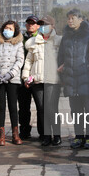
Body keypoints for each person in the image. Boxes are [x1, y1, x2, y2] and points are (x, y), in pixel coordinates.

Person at [58, 9, 89, 149]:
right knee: (75, 111)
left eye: (73, 18)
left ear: (81, 19)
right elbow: (61, 57)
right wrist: (62, 71)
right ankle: (79, 136)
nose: (70, 21)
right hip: (71, 79)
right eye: (68, 18)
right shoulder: (66, 37)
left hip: (87, 78)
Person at [22, 15, 62, 146]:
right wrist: (26, 77)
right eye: (41, 24)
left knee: (52, 108)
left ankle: (56, 134)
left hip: (53, 80)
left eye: (46, 24)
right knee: (41, 108)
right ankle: (46, 136)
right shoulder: (34, 42)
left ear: (53, 26)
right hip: (37, 80)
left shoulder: (59, 41)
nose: (43, 27)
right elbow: (29, 61)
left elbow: (64, 58)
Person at [0, 20, 25, 145]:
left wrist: (10, 74)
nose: (8, 30)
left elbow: (20, 61)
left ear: (15, 31)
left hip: (12, 79)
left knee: (13, 107)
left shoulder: (19, 44)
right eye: (6, 28)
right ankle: (1, 135)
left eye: (11, 28)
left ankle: (15, 134)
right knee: (0, 107)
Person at [18, 15, 39, 139]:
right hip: (23, 76)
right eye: (29, 23)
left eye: (33, 23)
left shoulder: (41, 38)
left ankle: (43, 131)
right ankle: (25, 130)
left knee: (40, 105)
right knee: (23, 106)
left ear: (38, 26)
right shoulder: (21, 39)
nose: (31, 25)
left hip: (37, 75)